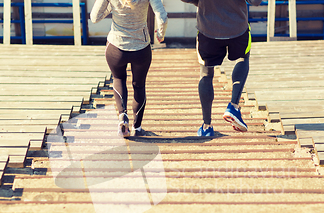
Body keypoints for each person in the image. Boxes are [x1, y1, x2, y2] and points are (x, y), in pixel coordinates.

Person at [181, 0, 259, 137]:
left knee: (206, 72)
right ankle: (233, 106)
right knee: (243, 58)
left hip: (208, 29)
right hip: (237, 28)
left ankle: (206, 127)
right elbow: (256, 1)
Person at [91, 0, 168, 137]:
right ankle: (137, 128)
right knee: (139, 86)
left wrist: (113, 7)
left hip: (116, 48)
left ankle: (123, 117)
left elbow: (95, 18)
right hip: (141, 48)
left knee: (118, 78)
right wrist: (160, 35)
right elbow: (162, 16)